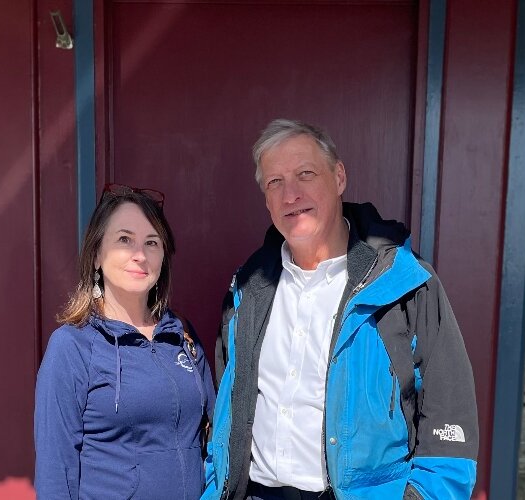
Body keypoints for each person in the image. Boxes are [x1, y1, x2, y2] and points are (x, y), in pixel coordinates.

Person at [203, 120, 478, 500]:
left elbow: (451, 420)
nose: (290, 194)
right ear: (265, 198)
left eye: (305, 174)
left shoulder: (403, 282)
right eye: (275, 182)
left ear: (339, 176)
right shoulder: (247, 290)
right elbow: (225, 411)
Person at [34, 184, 215, 499]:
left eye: (151, 242)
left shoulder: (182, 336)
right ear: (96, 256)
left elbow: (216, 439)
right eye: (124, 240)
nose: (139, 255)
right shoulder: (72, 346)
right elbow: (55, 472)